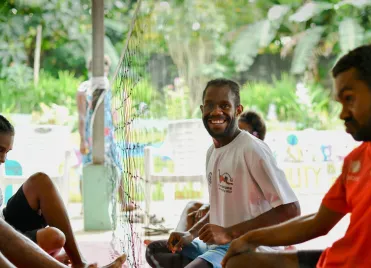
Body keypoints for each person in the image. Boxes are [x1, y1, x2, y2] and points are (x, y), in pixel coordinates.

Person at [221, 44, 371, 268]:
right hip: (334, 261)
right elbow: (318, 223)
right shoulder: (358, 158)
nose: (343, 114)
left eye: (349, 98)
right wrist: (250, 238)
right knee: (239, 262)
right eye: (340, 103)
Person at [145, 79, 301, 268]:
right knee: (155, 250)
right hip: (216, 246)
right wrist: (191, 234)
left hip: (247, 248)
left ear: (237, 110)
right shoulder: (212, 151)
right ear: (202, 110)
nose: (216, 111)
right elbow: (220, 208)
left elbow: (291, 210)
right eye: (210, 105)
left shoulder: (252, 150)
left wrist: (229, 232)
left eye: (224, 105)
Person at [0, 115, 126, 268]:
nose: (3, 159)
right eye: (0, 150)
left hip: (6, 222)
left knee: (41, 181)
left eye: (7, 151)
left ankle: (80, 264)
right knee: (53, 237)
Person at [175, 110, 268, 232]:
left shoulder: (255, 159)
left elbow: (241, 207)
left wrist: (211, 210)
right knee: (192, 208)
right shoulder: (217, 154)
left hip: (244, 228)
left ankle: (178, 246)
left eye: (241, 133)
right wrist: (209, 206)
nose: (234, 136)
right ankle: (175, 242)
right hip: (227, 218)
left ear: (254, 137)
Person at [76, 55, 136, 212]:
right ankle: (85, 204)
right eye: (99, 66)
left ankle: (123, 201)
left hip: (109, 133)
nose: (103, 69)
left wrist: (120, 127)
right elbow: (82, 116)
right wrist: (82, 139)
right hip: (91, 133)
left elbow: (112, 110)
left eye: (105, 66)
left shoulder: (109, 85)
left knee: (118, 164)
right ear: (91, 68)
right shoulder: (83, 88)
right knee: (87, 166)